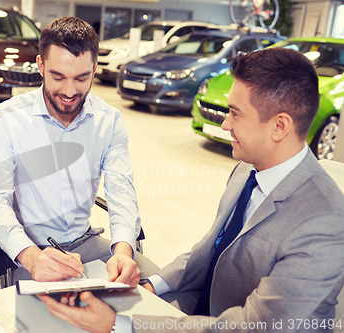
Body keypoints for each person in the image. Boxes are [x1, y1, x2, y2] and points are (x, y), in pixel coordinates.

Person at [38, 47, 344, 332]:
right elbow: (210, 250)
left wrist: (122, 324)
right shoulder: (247, 170)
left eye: (235, 113)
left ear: (279, 126)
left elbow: (254, 325)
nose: (225, 124)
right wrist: (150, 287)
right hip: (204, 306)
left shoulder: (324, 220)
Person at [0, 17, 159, 287]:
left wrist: (123, 250)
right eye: (58, 76)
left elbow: (121, 191)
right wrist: (31, 257)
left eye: (81, 78)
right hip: (31, 251)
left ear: (94, 68)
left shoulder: (108, 121)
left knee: (167, 294)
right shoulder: (7, 118)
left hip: (87, 243)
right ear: (41, 65)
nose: (69, 91)